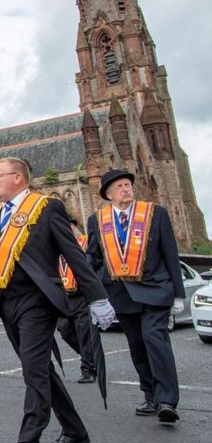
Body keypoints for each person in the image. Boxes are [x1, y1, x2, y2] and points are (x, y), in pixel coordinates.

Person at [0, 157, 115, 443]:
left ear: (19, 177)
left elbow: (74, 254)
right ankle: (75, 431)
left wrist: (97, 297)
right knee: (41, 370)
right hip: (5, 303)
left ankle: (29, 436)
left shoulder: (45, 208)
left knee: (33, 372)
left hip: (37, 301)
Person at [85, 168, 185, 423]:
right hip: (121, 292)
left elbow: (170, 253)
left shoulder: (154, 214)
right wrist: (93, 288)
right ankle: (150, 394)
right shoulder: (98, 220)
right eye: (119, 186)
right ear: (108, 193)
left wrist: (178, 294)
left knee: (155, 340)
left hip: (155, 289)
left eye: (128, 184)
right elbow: (94, 256)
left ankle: (167, 401)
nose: (125, 188)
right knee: (137, 346)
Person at [55, 219, 99, 384]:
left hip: (81, 295)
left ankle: (87, 369)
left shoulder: (85, 243)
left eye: (69, 227)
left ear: (75, 227)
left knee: (84, 331)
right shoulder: (57, 247)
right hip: (64, 296)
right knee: (65, 330)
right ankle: (91, 358)